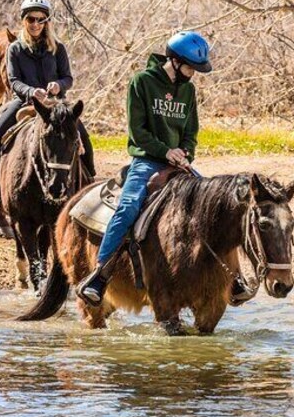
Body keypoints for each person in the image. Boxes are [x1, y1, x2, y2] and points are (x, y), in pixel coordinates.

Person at [76, 31, 213, 306]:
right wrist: (165, 151)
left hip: (179, 162)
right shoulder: (142, 82)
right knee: (128, 207)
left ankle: (230, 280)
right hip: (146, 160)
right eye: (190, 67)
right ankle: (100, 275)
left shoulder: (188, 90)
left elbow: (190, 132)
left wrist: (185, 153)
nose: (193, 74)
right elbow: (138, 133)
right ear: (174, 61)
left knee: (213, 203)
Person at [0, 0, 95, 205]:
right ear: (24, 21)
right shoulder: (15, 48)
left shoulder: (58, 48)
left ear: (47, 22)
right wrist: (31, 92)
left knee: (82, 137)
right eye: (31, 19)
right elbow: (14, 80)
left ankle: (89, 182)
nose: (35, 24)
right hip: (25, 102)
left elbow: (67, 78)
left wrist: (58, 86)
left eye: (40, 19)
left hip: (55, 104)